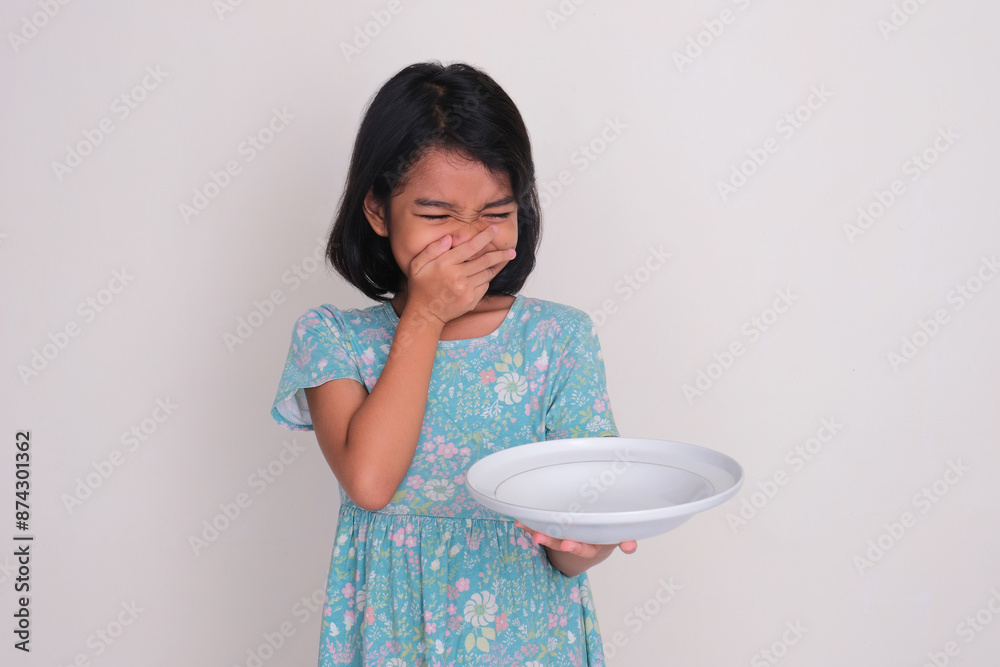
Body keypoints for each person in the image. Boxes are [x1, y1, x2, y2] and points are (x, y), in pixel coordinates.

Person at [270, 60, 636, 666]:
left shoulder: (558, 339)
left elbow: (567, 548)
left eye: (496, 213)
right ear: (378, 210)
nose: (468, 240)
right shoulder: (332, 339)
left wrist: (589, 540)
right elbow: (370, 483)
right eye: (438, 216)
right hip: (395, 642)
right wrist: (425, 315)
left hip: (530, 643)